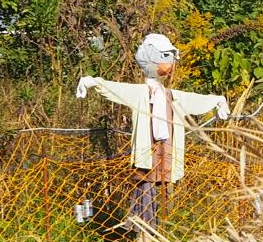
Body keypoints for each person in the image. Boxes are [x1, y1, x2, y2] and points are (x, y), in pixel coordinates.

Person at [76, 33, 230, 228]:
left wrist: (215, 100)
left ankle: (150, 226)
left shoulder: (171, 96)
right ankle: (145, 227)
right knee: (144, 183)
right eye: (166, 58)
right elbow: (117, 89)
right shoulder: (142, 93)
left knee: (155, 186)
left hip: (166, 152)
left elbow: (193, 100)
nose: (171, 64)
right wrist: (95, 83)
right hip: (147, 152)